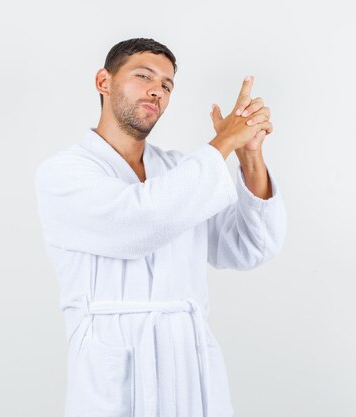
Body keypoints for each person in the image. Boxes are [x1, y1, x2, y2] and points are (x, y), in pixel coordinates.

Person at [34, 38, 286, 417]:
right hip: (115, 373)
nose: (158, 90)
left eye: (167, 85)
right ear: (104, 81)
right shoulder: (63, 173)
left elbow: (251, 246)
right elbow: (138, 224)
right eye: (143, 76)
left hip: (189, 367)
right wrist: (223, 141)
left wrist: (249, 154)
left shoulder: (181, 172)